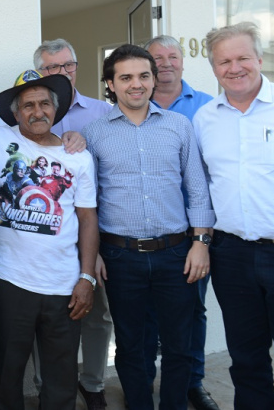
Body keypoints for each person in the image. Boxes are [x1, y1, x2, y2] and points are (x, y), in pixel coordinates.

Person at [193, 22, 274, 410]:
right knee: (247, 363)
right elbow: (205, 188)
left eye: (242, 58)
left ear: (260, 59)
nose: (234, 68)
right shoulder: (205, 120)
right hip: (232, 257)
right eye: (223, 61)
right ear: (214, 68)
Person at [83, 44, 214, 410]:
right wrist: (90, 256)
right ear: (111, 83)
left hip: (177, 254)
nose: (136, 85)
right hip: (120, 256)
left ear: (154, 79)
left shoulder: (179, 126)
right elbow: (87, 202)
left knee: (179, 344)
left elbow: (198, 188)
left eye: (144, 76)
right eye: (125, 77)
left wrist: (201, 243)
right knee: (130, 345)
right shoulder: (94, 133)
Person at [0, 70, 98, 410]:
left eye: (45, 103)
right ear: (16, 114)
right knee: (6, 377)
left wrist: (86, 278)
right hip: (9, 282)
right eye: (28, 105)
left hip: (64, 285)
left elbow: (87, 218)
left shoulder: (78, 156)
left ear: (56, 110)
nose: (37, 111)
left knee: (61, 380)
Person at [33, 38, 112, 410]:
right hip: (44, 238)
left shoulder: (101, 113)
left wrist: (92, 253)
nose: (61, 73)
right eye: (52, 67)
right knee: (42, 318)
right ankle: (43, 383)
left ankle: (93, 383)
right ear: (39, 72)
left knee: (96, 314)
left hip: (95, 230)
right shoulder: (27, 114)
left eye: (68, 65)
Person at [143, 35, 217, 410]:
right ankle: (152, 382)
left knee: (193, 310)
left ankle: (192, 382)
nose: (166, 63)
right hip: (152, 231)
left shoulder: (207, 107)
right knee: (151, 315)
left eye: (173, 56)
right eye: (158, 57)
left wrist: (202, 236)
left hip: (197, 231)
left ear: (183, 62)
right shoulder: (135, 103)